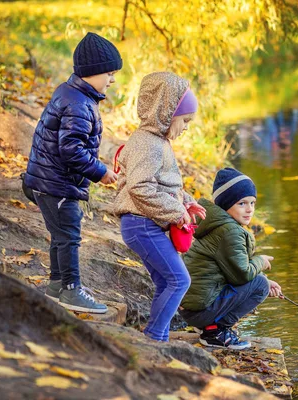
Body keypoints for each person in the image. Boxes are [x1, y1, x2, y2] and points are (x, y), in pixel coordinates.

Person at [23, 32, 122, 313]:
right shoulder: (79, 103)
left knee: (60, 235)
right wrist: (100, 171)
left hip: (49, 180)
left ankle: (56, 286)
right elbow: (70, 149)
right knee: (69, 236)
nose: (112, 80)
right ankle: (71, 290)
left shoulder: (72, 93)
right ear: (91, 73)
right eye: (109, 73)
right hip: (56, 183)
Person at [113, 71, 206, 342]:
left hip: (145, 223)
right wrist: (176, 212)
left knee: (167, 282)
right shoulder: (148, 143)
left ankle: (159, 336)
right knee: (180, 280)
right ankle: (154, 338)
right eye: (186, 120)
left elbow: (166, 184)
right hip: (140, 224)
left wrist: (186, 202)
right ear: (167, 112)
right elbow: (140, 187)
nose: (187, 126)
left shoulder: (159, 142)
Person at [179, 168, 283, 350]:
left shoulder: (222, 225)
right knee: (259, 285)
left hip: (193, 306)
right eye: (242, 203)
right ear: (226, 205)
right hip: (198, 309)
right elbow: (242, 275)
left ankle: (209, 326)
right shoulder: (230, 231)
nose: (250, 209)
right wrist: (260, 262)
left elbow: (231, 270)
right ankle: (214, 331)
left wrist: (265, 279)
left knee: (261, 282)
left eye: (252, 203)